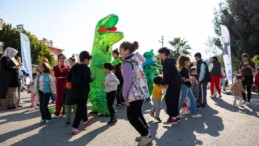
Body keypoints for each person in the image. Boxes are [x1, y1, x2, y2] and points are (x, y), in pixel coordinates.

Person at [120, 41, 152, 145]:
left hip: (134, 94)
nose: (120, 53)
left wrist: (124, 96)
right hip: (142, 91)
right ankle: (145, 133)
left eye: (121, 50)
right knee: (137, 113)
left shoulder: (127, 62)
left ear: (127, 50)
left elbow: (128, 80)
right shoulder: (137, 60)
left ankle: (146, 135)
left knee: (132, 116)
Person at [67, 51, 94, 135]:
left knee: (82, 105)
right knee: (80, 109)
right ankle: (75, 128)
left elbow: (68, 78)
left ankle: (85, 120)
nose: (89, 62)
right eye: (88, 60)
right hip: (83, 92)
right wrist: (92, 78)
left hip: (74, 91)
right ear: (85, 59)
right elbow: (87, 80)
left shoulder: (74, 67)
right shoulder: (86, 68)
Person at [158, 47, 182, 125]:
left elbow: (167, 75)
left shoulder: (166, 61)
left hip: (173, 83)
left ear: (163, 54)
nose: (158, 55)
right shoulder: (170, 60)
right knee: (174, 99)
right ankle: (176, 116)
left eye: (159, 53)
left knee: (169, 99)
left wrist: (162, 83)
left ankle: (172, 118)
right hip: (177, 82)